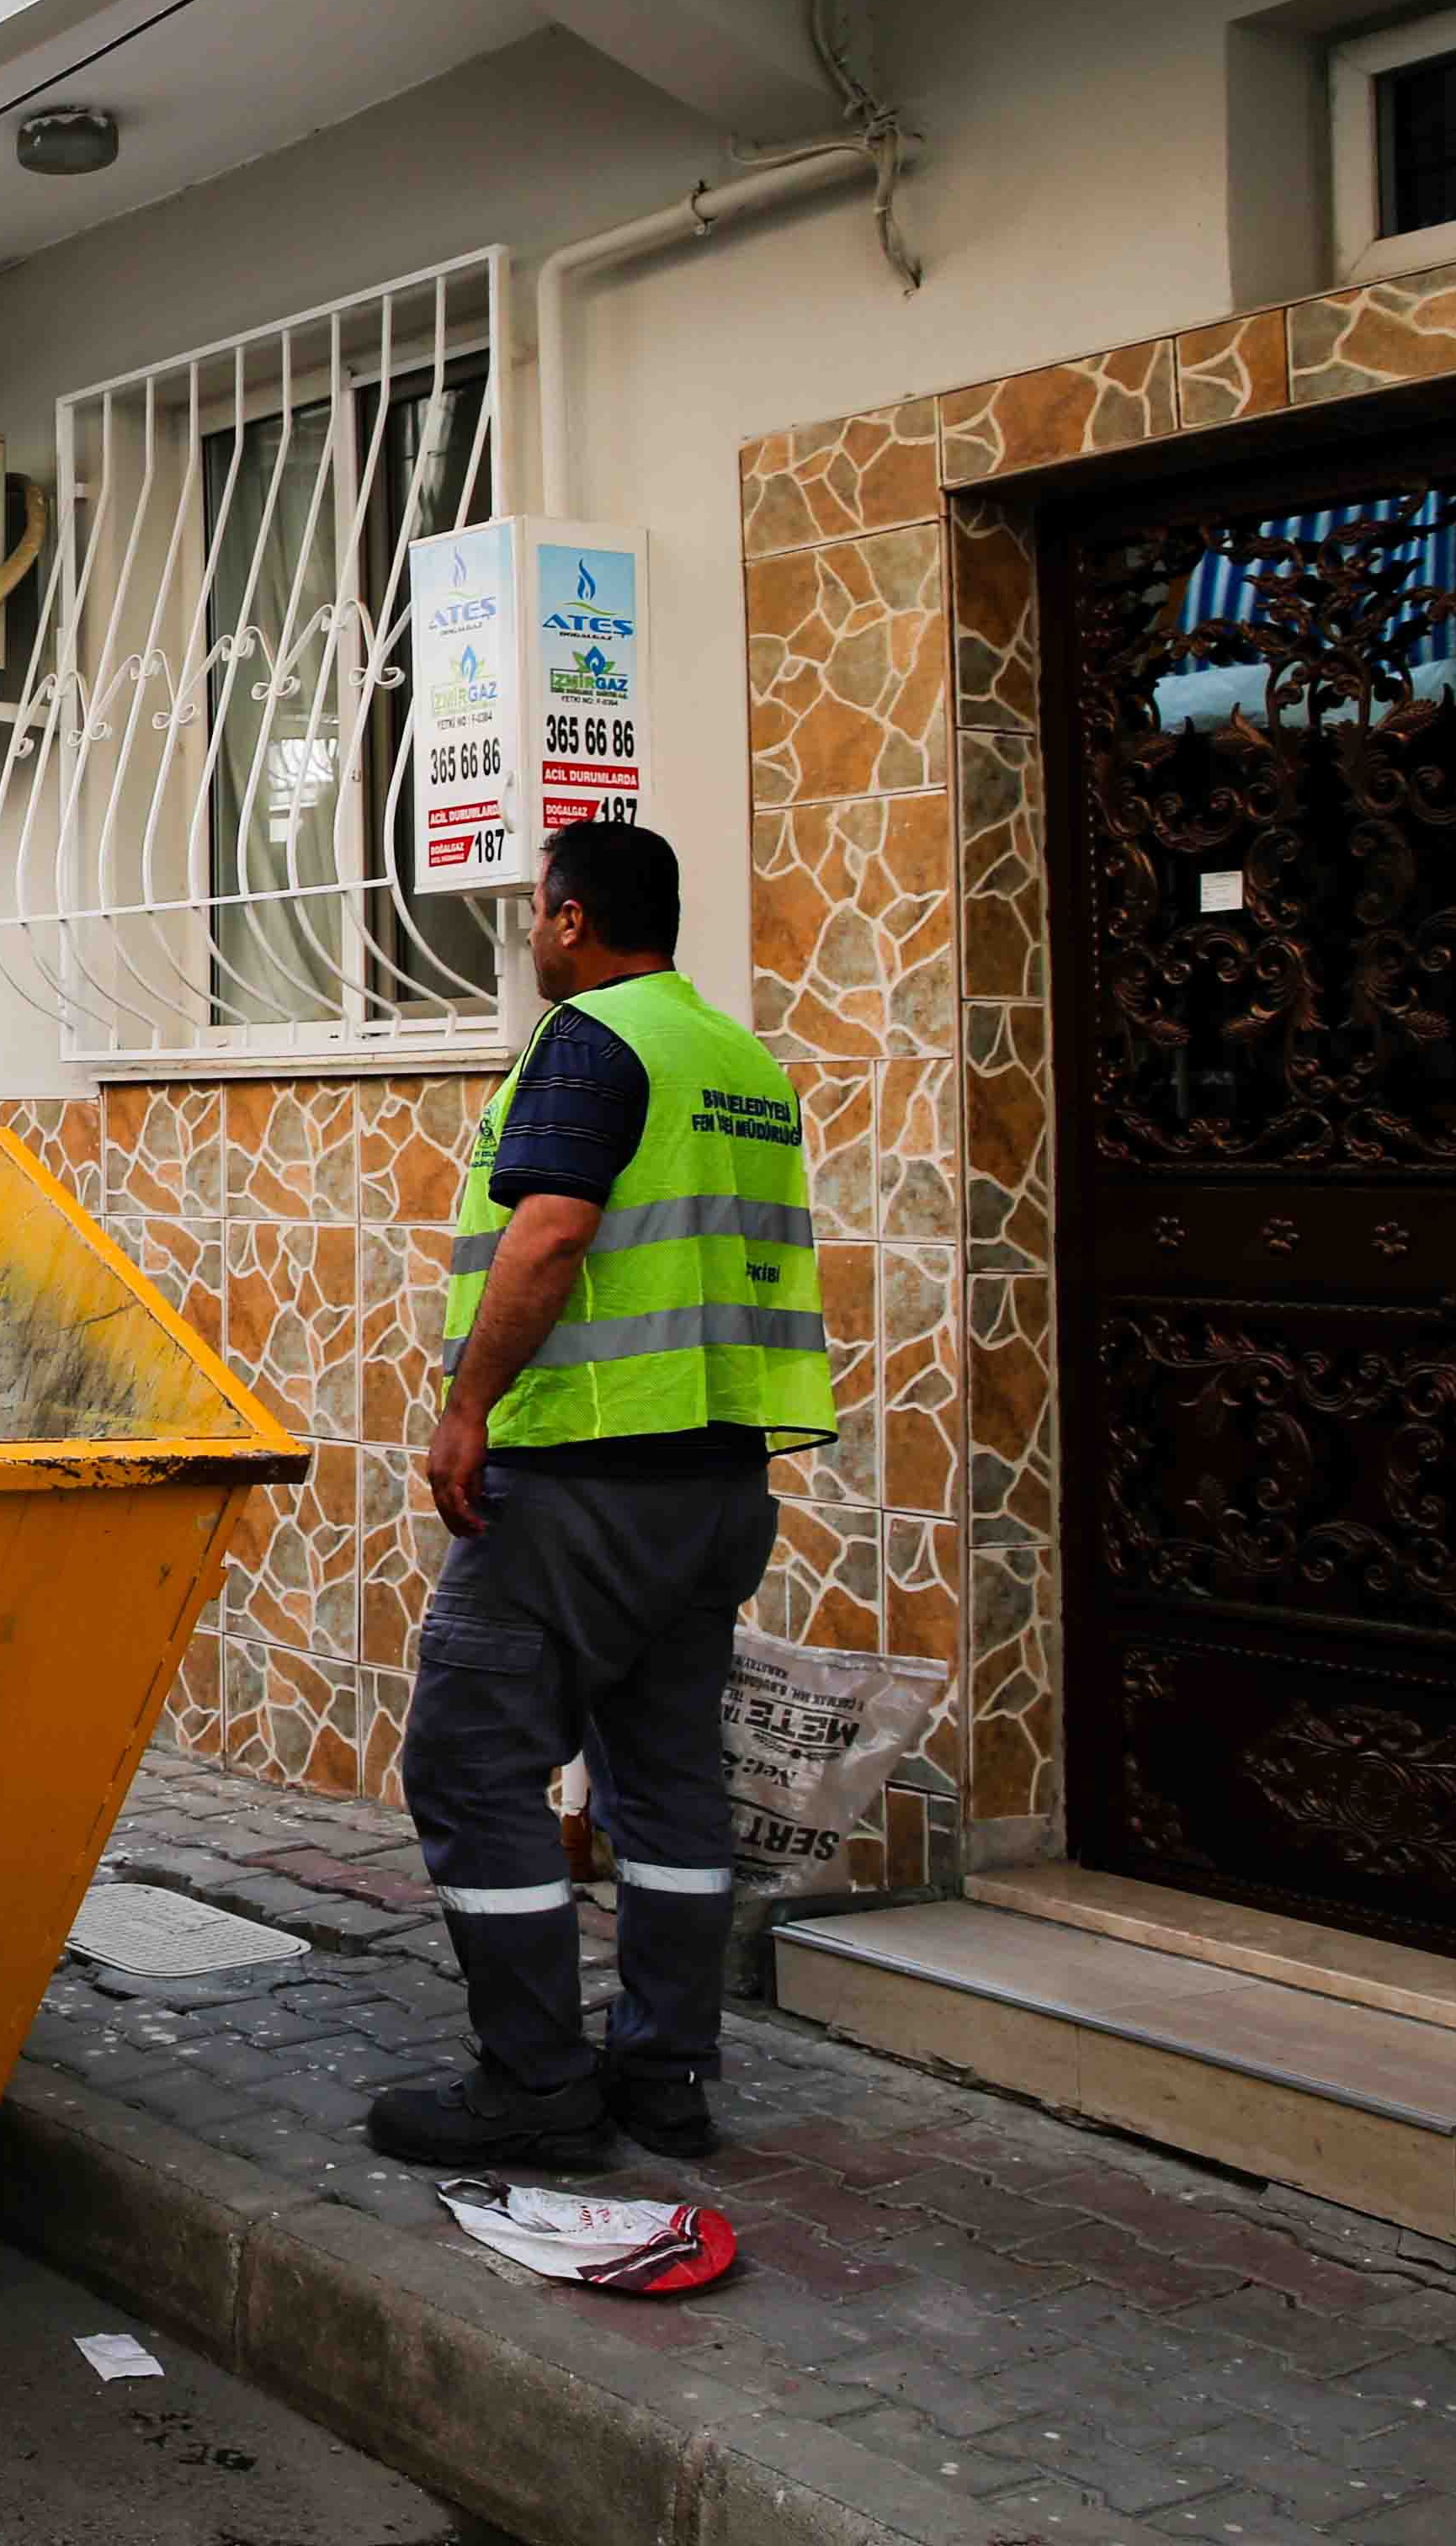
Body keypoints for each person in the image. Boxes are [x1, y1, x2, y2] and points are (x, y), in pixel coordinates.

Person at [364, 816, 835, 2172]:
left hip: (582, 1480)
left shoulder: (588, 1041)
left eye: (535, 913)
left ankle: (535, 2086)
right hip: (719, 1483)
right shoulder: (740, 1060)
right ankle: (665, 2077)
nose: (530, 935)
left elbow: (554, 1229)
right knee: (669, 1779)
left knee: (471, 1763)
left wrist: (468, 1408)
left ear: (571, 919)